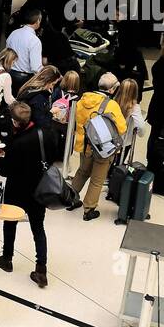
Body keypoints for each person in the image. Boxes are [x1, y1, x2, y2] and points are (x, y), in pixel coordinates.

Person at [0, 102, 50, 287]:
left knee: (10, 223)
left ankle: (7, 258)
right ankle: (41, 269)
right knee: (38, 228)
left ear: (15, 122)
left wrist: (0, 157)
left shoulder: (16, 143)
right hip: (38, 187)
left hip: (17, 189)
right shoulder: (41, 133)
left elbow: (5, 170)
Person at [68, 72, 127, 220]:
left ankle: (70, 199)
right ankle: (89, 210)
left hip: (84, 145)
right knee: (97, 179)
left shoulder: (83, 100)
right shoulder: (111, 105)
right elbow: (122, 128)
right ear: (112, 89)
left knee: (82, 172)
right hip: (103, 148)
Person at [5, 6, 44, 93]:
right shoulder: (34, 40)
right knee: (20, 105)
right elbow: (35, 67)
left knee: (7, 102)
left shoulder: (14, 33)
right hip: (24, 79)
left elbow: (6, 53)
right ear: (37, 21)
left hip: (9, 74)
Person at [16, 65, 62, 133]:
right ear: (47, 81)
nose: (52, 86)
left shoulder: (28, 87)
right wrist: (51, 112)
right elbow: (41, 123)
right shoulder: (39, 97)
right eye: (52, 84)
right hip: (28, 133)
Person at [116, 78, 146, 149]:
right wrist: (140, 133)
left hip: (108, 140)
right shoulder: (134, 107)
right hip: (123, 143)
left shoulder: (112, 102)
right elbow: (141, 127)